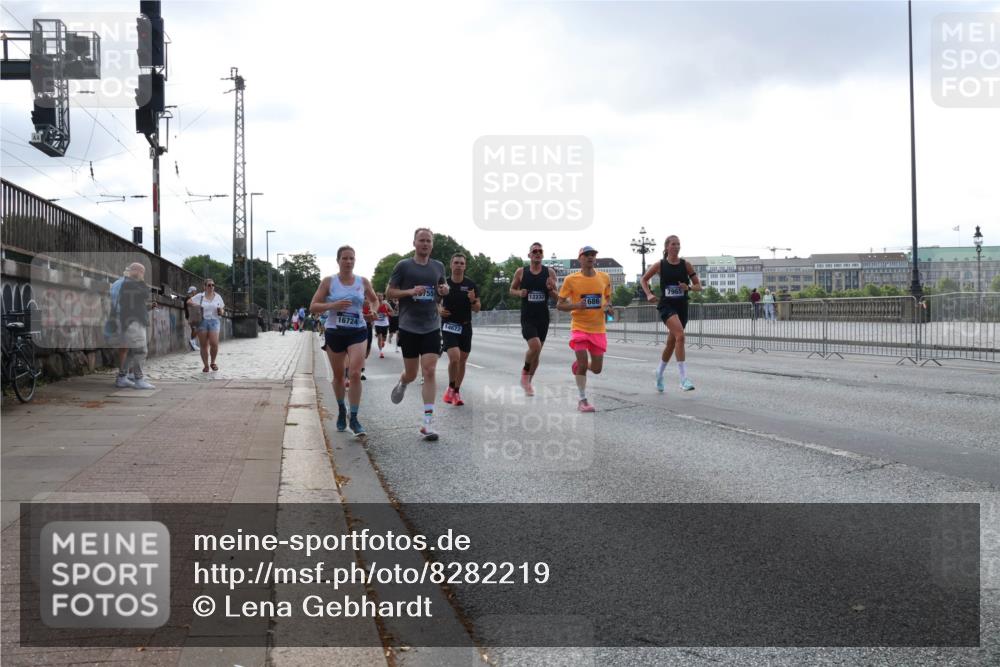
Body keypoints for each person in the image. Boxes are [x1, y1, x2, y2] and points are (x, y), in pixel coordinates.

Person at [386, 228, 449, 441]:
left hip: (431, 325)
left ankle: (427, 423)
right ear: (414, 243)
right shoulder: (404, 266)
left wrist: (443, 290)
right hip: (409, 326)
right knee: (412, 374)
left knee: (429, 370)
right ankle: (403, 382)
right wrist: (410, 292)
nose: (425, 244)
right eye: (421, 240)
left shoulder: (438, 266)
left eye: (428, 241)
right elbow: (390, 292)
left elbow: (441, 288)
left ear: (432, 244)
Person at [312, 245, 377, 437]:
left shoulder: (362, 281)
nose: (348, 262)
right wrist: (333, 305)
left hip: (357, 330)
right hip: (335, 331)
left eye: (352, 258)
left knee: (355, 373)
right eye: (345, 258)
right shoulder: (329, 282)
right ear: (338, 260)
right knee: (339, 376)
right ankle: (341, 410)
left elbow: (374, 299)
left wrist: (373, 309)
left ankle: (354, 418)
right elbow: (313, 306)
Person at [641, 235, 702, 393]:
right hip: (667, 306)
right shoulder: (660, 265)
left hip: (682, 306)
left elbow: (698, 286)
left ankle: (659, 373)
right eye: (673, 244)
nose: (676, 246)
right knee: (680, 336)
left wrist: (687, 287)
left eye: (678, 244)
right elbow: (644, 279)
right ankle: (683, 379)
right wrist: (648, 294)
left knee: (671, 343)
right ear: (667, 247)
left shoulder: (685, 265)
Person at [557, 246, 612, 412]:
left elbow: (608, 297)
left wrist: (609, 306)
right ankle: (582, 400)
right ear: (580, 258)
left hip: (598, 328)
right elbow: (559, 304)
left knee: (596, 369)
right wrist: (576, 305)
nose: (590, 257)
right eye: (586, 255)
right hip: (579, 327)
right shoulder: (570, 280)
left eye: (593, 255)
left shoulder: (604, 277)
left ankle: (579, 366)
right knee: (582, 363)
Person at [509, 242, 559, 396]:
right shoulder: (521, 272)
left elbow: (557, 298)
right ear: (529, 255)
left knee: (537, 353)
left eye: (540, 251)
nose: (537, 253)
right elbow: (511, 290)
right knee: (535, 346)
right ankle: (525, 374)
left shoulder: (549, 272)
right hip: (528, 317)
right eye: (534, 251)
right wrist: (519, 293)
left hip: (543, 317)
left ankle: (528, 383)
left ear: (542, 255)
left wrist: (551, 289)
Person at [440, 253, 481, 406]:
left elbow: (477, 308)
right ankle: (450, 388)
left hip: (465, 326)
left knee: (462, 360)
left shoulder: (470, 284)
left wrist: (472, 300)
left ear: (465, 266)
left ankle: (456, 391)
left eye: (461, 263)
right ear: (451, 265)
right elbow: (435, 302)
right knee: (455, 357)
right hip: (449, 325)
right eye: (456, 262)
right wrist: (439, 309)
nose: (459, 265)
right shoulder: (444, 284)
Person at [115, 262, 157, 390]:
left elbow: (136, 303)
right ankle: (138, 379)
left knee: (132, 353)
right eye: (141, 272)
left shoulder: (129, 284)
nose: (143, 275)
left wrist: (148, 307)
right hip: (133, 322)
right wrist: (141, 281)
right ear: (135, 271)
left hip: (135, 321)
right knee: (140, 351)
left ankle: (123, 377)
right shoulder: (129, 283)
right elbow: (145, 293)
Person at [188, 279, 225, 372]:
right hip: (202, 321)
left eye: (213, 285)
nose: (211, 287)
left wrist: (221, 311)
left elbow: (222, 308)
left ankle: (213, 362)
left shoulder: (218, 297)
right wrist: (196, 305)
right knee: (204, 345)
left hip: (214, 321)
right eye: (209, 285)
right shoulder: (200, 296)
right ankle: (206, 365)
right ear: (204, 287)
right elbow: (188, 301)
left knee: (214, 343)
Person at [373, 293, 391, 359]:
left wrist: (387, 313)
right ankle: (381, 352)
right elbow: (372, 312)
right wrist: (375, 312)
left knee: (384, 338)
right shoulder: (375, 304)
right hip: (377, 323)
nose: (380, 297)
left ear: (383, 297)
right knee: (379, 337)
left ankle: (383, 342)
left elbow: (392, 312)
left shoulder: (386, 304)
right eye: (378, 296)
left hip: (385, 324)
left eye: (381, 296)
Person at [184, 286, 201, 352]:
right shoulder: (189, 297)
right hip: (191, 315)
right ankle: (192, 342)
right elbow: (189, 304)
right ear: (193, 291)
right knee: (195, 328)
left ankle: (193, 344)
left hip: (191, 315)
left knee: (195, 329)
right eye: (195, 291)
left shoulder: (190, 297)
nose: (195, 292)